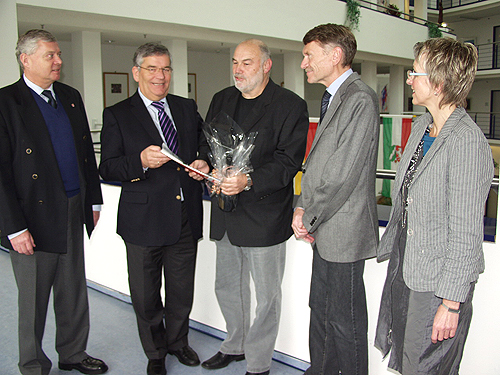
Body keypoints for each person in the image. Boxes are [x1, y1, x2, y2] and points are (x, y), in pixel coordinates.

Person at [375, 38, 493, 374]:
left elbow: (466, 234)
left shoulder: (465, 142)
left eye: (415, 72)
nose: (409, 78)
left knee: (423, 367)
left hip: (438, 286)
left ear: (439, 83)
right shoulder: (422, 129)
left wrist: (451, 304)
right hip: (408, 270)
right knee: (407, 362)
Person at [0, 29, 107, 375]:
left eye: (58, 54)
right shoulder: (5, 104)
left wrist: (94, 200)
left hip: (73, 206)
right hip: (31, 214)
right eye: (50, 55)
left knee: (73, 287)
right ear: (25, 59)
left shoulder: (70, 96)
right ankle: (32, 364)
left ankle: (74, 352)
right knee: (33, 298)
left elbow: (85, 155)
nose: (58, 61)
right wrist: (14, 227)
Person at [99, 42, 209, 375]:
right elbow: (109, 167)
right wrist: (140, 162)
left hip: (185, 216)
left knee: (181, 291)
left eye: (166, 69)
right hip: (143, 221)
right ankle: (155, 352)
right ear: (136, 73)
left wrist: (203, 160)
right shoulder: (117, 114)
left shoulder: (186, 106)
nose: (160, 76)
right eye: (152, 69)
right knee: (146, 296)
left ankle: (178, 342)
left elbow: (203, 143)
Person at [201, 39, 309, 375]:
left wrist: (246, 181)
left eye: (246, 62)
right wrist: (211, 169)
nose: (237, 69)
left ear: (266, 66)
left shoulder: (290, 105)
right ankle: (234, 344)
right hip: (224, 211)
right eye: (235, 62)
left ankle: (259, 363)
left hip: (264, 216)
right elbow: (208, 145)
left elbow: (288, 162)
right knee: (227, 287)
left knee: (266, 297)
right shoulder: (222, 98)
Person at [292, 24, 379, 375]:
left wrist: (308, 216)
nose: (303, 63)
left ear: (335, 55)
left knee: (346, 323)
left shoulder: (359, 98)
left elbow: (342, 175)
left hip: (343, 233)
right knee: (323, 314)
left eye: (309, 55)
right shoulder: (334, 96)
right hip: (326, 229)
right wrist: (301, 205)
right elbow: (319, 166)